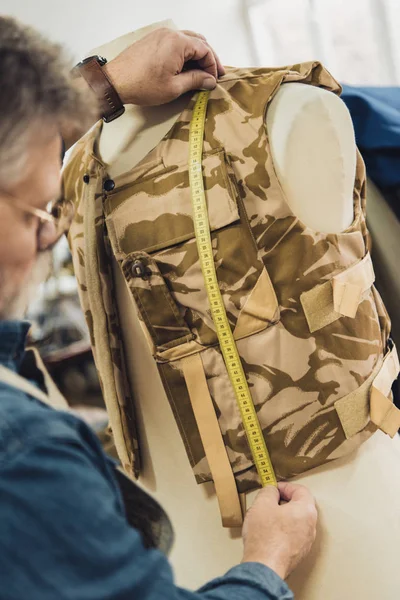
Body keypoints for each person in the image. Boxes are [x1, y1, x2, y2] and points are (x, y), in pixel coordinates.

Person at [0, 16, 317, 600]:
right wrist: (266, 565)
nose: (50, 241)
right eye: (35, 216)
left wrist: (108, 84)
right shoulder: (22, 456)